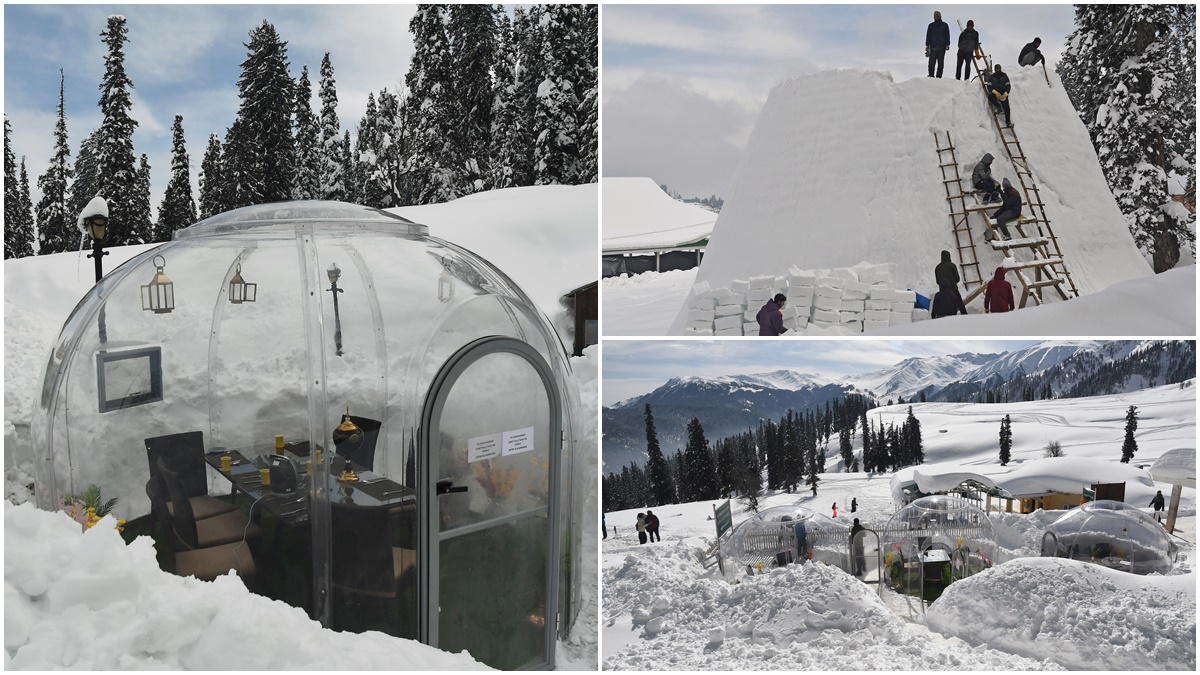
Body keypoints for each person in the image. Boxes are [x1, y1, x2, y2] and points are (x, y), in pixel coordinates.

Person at [987, 177, 1022, 242]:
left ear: (1008, 186)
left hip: (1015, 211)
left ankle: (1007, 235)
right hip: (1010, 210)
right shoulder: (1008, 192)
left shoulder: (1014, 192)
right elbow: (1004, 206)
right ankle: (995, 236)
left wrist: (1001, 193)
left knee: (1000, 219)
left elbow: (1008, 203)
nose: (1004, 188)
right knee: (995, 218)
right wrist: (996, 214)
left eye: (1005, 186)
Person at [926, 11, 951, 78]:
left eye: (938, 16)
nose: (937, 17)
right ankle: (931, 75)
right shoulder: (931, 26)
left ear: (940, 16)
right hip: (933, 47)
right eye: (935, 16)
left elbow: (947, 35)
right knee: (931, 63)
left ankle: (939, 76)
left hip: (942, 47)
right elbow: (928, 35)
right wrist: (927, 45)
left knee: (940, 63)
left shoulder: (945, 25)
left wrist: (947, 44)